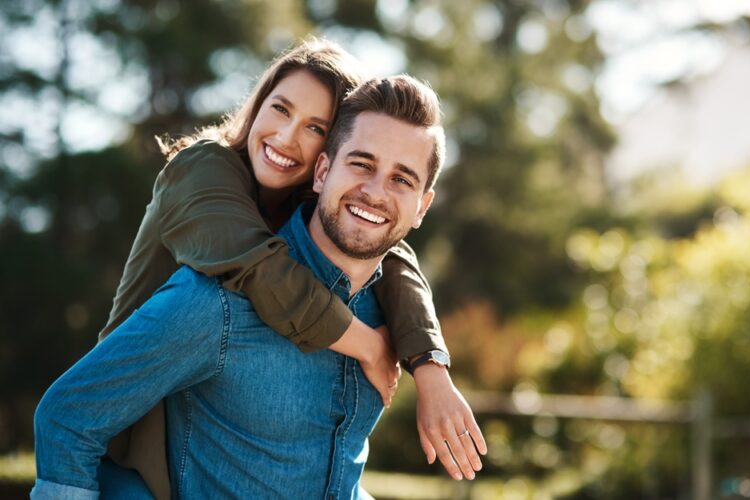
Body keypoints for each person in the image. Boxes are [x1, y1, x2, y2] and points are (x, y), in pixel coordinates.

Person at [32, 38, 485, 497]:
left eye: (315, 127)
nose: (288, 138)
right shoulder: (204, 178)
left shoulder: (321, 216)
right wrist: (370, 346)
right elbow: (261, 274)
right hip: (138, 425)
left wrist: (431, 368)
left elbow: (393, 256)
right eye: (281, 109)